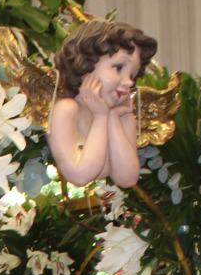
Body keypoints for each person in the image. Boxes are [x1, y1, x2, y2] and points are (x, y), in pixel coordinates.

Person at [47, 19, 155, 187]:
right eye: (119, 67)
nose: (128, 82)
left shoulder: (121, 115)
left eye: (133, 75)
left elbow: (127, 178)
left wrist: (111, 117)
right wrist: (100, 116)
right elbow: (80, 175)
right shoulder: (66, 110)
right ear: (85, 63)